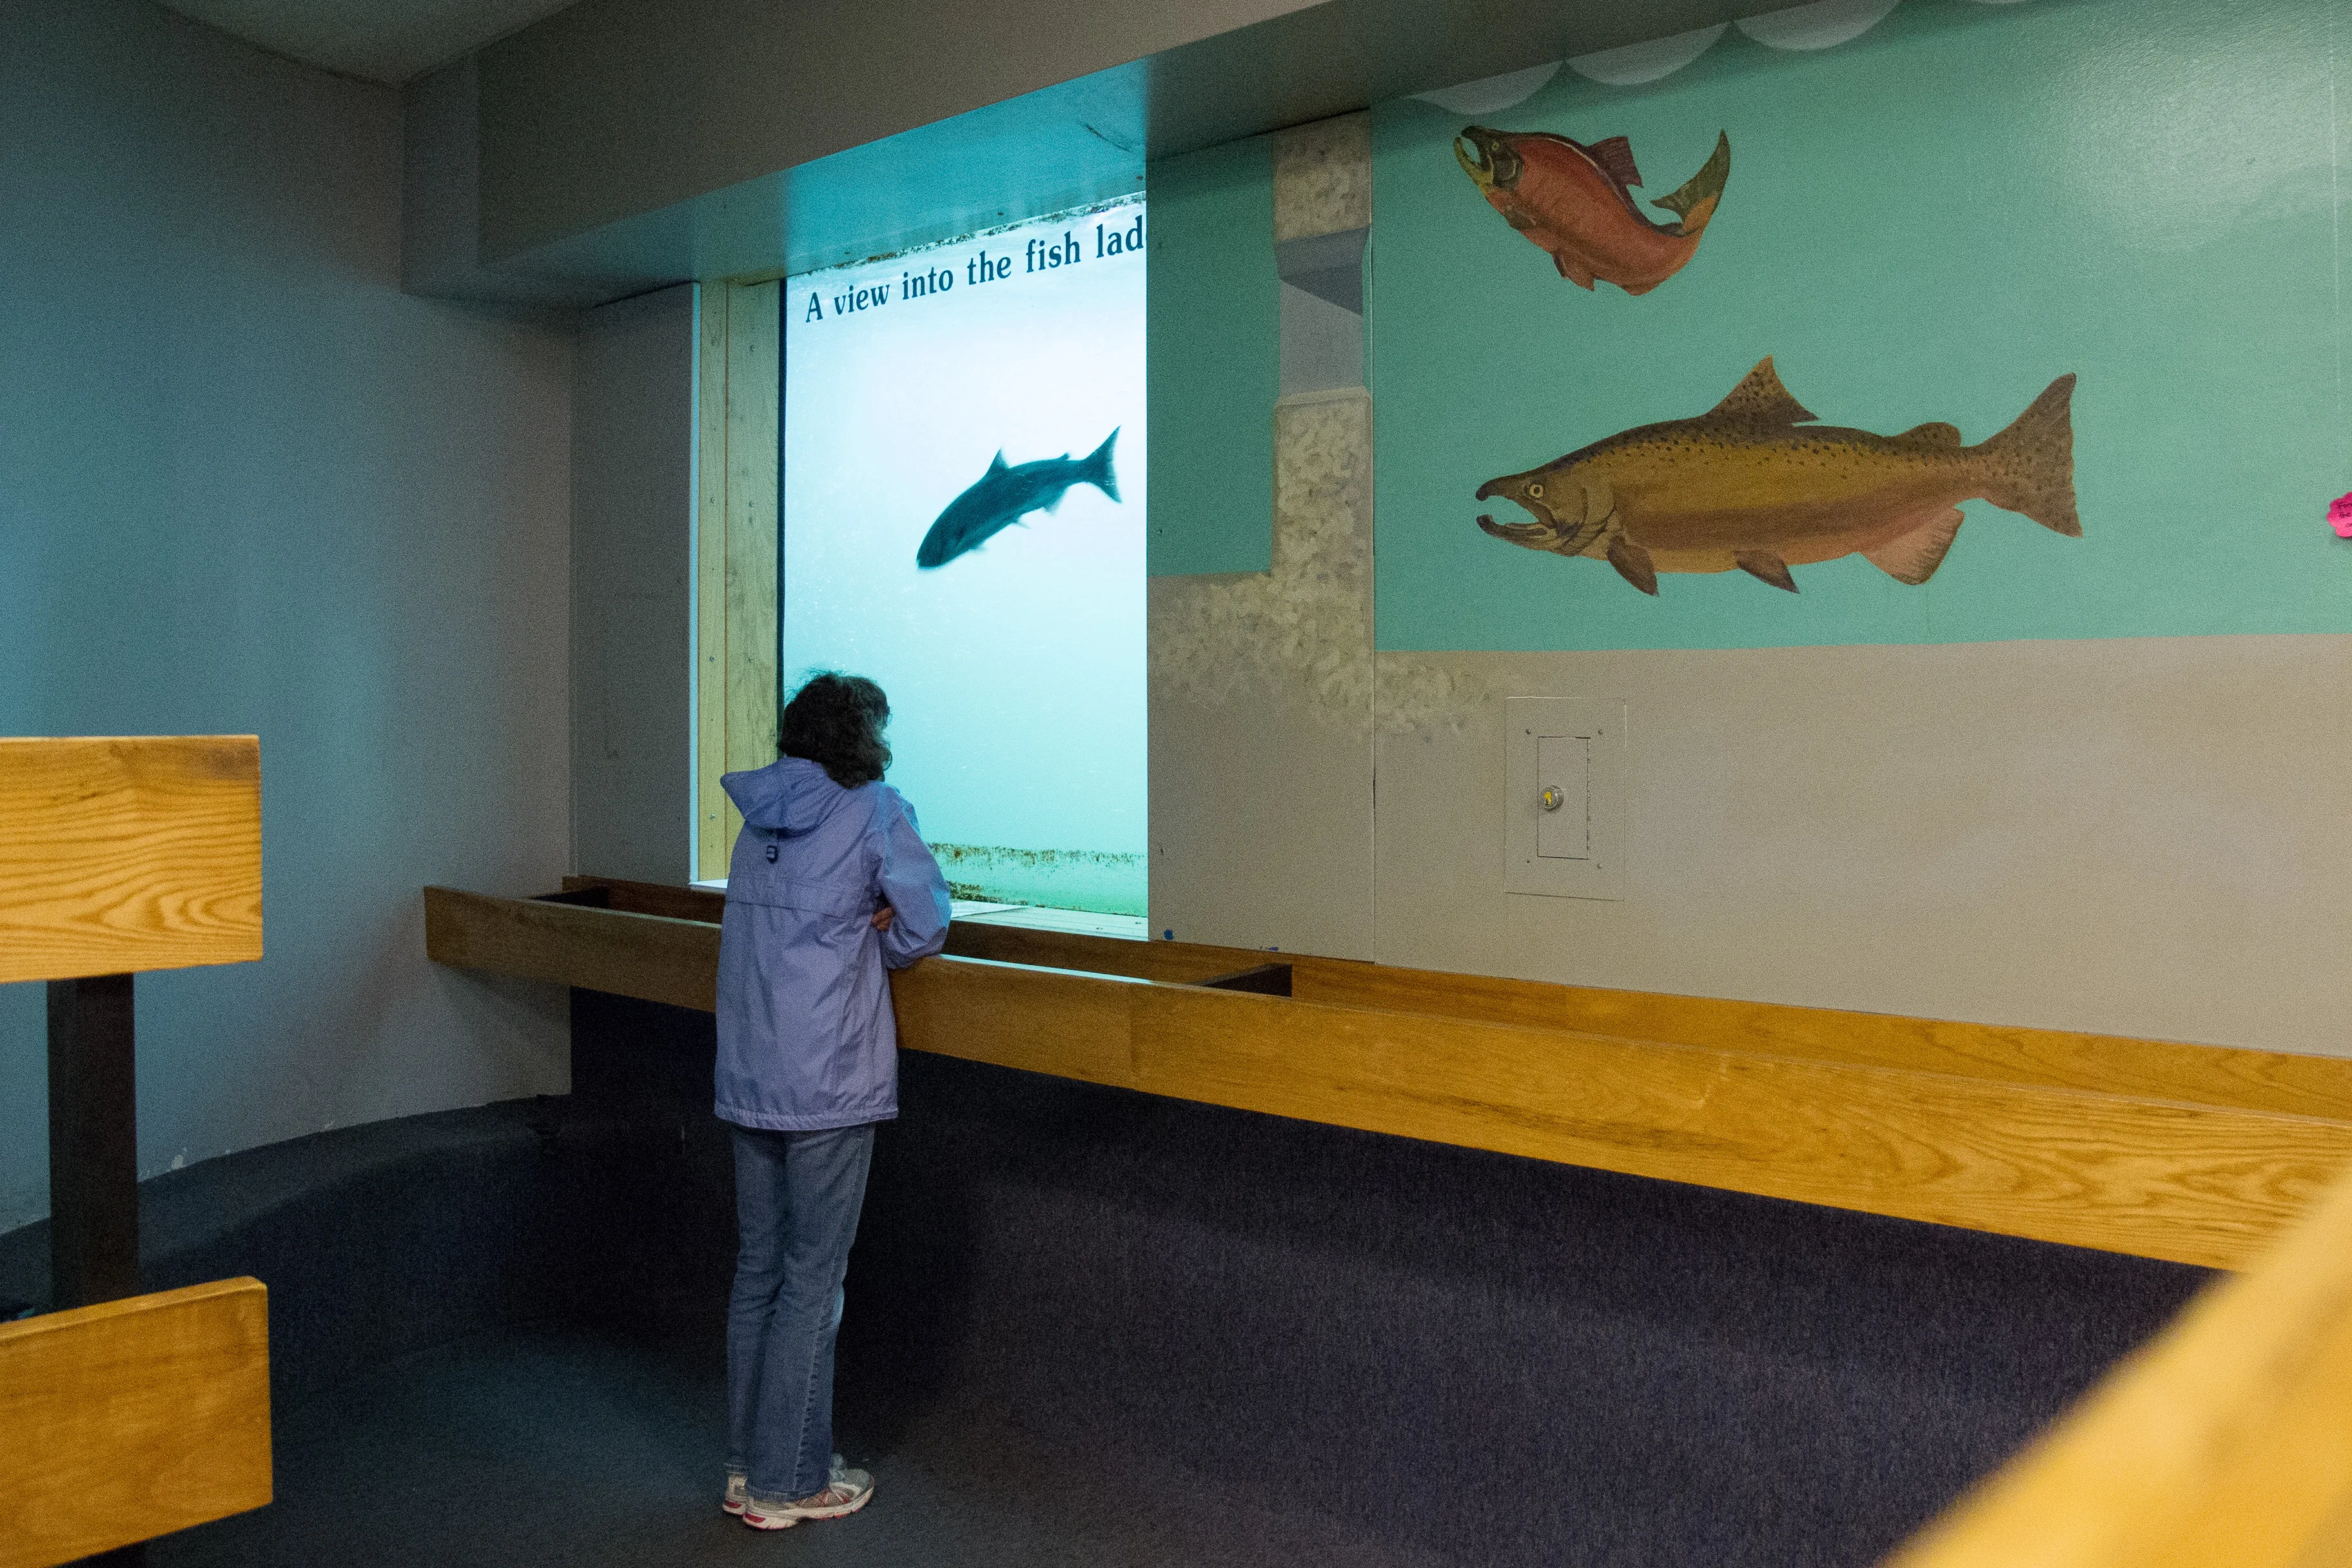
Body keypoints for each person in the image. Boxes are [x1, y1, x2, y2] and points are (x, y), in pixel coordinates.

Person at [712, 672, 951, 1531]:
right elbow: (925, 925)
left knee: (758, 1273)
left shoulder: (757, 819)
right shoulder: (875, 809)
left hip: (748, 1072)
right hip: (829, 1081)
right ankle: (789, 1485)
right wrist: (880, 935)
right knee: (814, 1282)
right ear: (865, 735)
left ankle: (751, 1469)